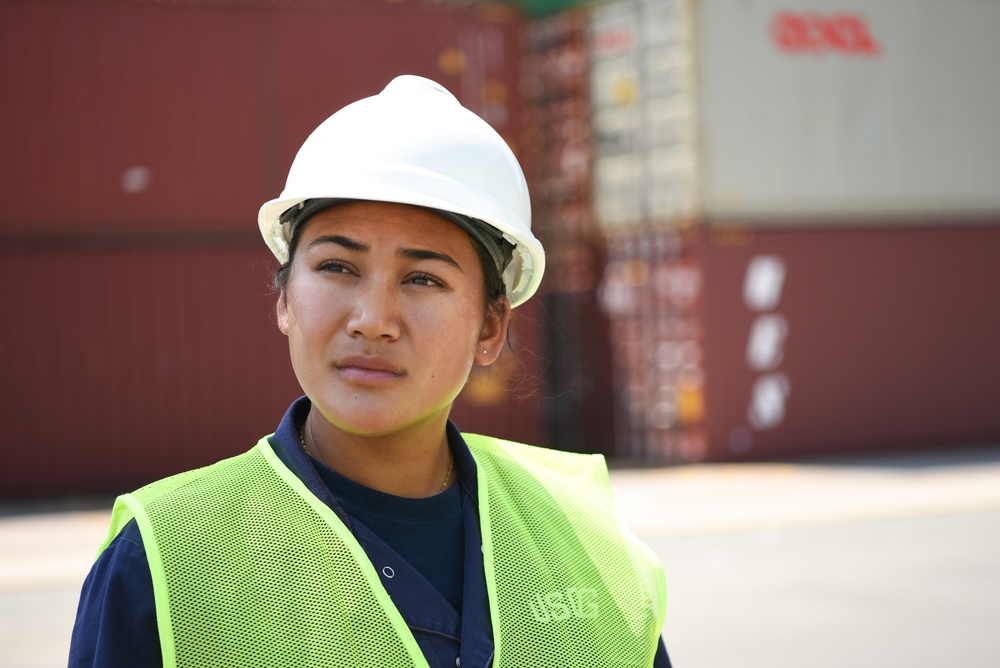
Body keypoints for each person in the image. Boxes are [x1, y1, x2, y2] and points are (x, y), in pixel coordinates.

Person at [70, 75, 671, 667]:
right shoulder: (167, 561)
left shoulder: (591, 543)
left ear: (490, 327)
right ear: (284, 299)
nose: (373, 319)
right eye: (336, 267)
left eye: (423, 278)